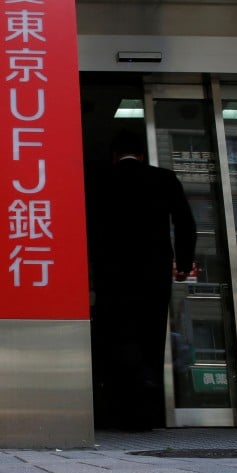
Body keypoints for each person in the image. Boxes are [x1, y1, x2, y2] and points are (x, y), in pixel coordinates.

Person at [89, 129, 196, 431]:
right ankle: (146, 411)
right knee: (150, 334)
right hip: (153, 270)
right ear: (142, 155)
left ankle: (115, 411)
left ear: (114, 156)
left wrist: (90, 266)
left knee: (115, 335)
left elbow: (90, 227)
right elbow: (185, 222)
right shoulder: (164, 178)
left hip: (111, 272)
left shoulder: (100, 180)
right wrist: (184, 262)